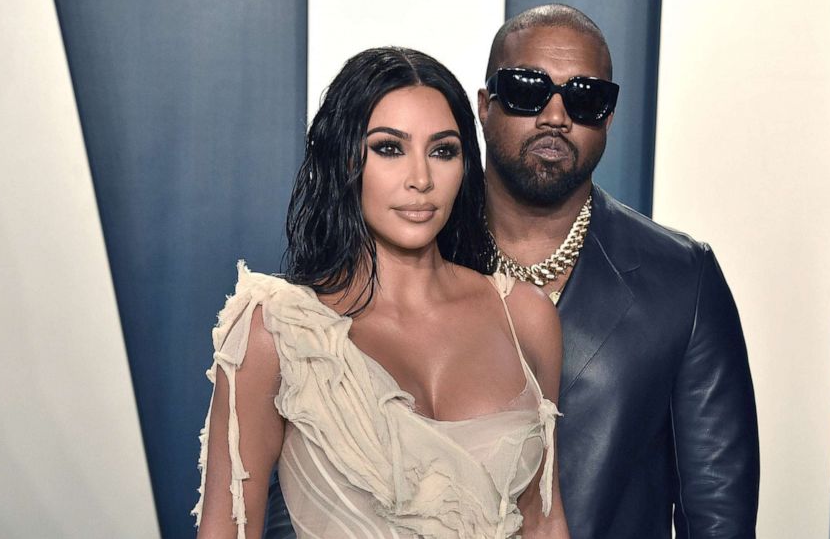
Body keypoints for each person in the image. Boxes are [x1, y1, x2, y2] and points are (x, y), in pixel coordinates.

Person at [266, 4, 759, 539]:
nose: (555, 115)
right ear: (484, 105)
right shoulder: (389, 259)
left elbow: (718, 516)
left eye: (586, 98)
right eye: (527, 88)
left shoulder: (682, 279)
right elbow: (293, 489)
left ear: (610, 118)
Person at [193, 47, 570, 538]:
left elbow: (545, 521)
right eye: (390, 148)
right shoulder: (275, 334)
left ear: (464, 166)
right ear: (346, 158)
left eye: (443, 150)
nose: (420, 179)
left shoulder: (525, 317)